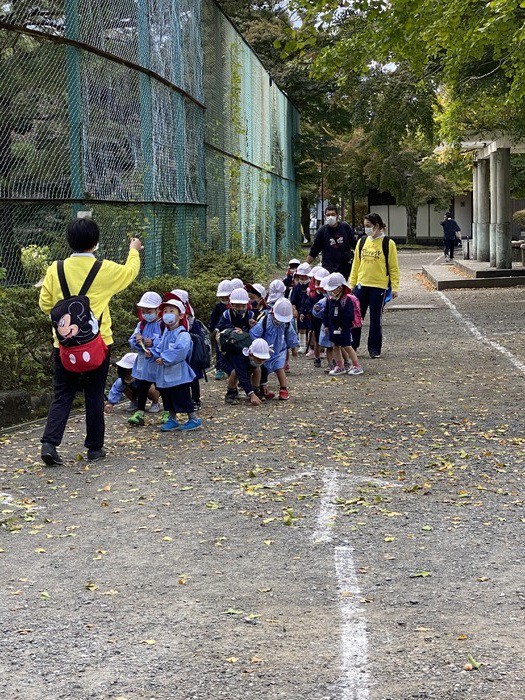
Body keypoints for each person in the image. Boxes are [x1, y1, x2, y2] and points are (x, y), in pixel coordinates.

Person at [39, 218, 142, 466]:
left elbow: (45, 305)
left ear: (69, 241)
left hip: (63, 346)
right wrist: (134, 250)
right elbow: (130, 273)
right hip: (98, 344)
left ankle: (49, 444)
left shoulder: (56, 268)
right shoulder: (104, 268)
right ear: (95, 243)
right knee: (94, 396)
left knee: (63, 394)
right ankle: (95, 448)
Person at [349, 212, 400, 359]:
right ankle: (352, 345)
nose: (366, 229)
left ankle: (374, 348)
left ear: (377, 226)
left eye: (368, 226)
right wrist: (351, 284)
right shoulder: (362, 241)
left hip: (379, 286)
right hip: (361, 284)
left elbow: (393, 267)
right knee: (356, 316)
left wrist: (395, 287)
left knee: (376, 318)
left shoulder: (388, 243)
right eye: (365, 226)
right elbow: (356, 264)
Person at [150, 295, 202, 432]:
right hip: (166, 374)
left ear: (180, 315)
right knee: (168, 397)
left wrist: (165, 359)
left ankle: (193, 418)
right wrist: (152, 353)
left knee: (182, 397)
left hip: (179, 375)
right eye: (165, 311)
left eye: (171, 311)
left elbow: (181, 351)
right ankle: (172, 419)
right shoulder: (166, 332)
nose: (167, 314)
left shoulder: (183, 334)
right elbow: (160, 346)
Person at [250, 298, 299, 400]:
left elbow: (291, 334)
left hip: (279, 350)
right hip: (264, 351)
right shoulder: (264, 320)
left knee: (279, 368)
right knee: (262, 371)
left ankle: (283, 388)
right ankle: (262, 389)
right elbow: (254, 334)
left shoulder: (286, 323)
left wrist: (294, 347)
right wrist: (258, 347)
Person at [128, 291, 163, 426]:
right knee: (142, 387)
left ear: (158, 310)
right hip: (144, 363)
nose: (146, 313)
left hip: (158, 362)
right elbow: (132, 339)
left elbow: (166, 341)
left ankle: (167, 413)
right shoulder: (141, 325)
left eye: (149, 310)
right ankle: (140, 412)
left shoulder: (163, 324)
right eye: (144, 311)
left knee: (163, 387)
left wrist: (153, 343)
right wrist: (137, 342)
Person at [322, 272, 364, 376]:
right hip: (333, 327)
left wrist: (342, 325)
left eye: (333, 289)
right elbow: (326, 313)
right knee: (335, 346)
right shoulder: (330, 300)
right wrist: (326, 325)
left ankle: (356, 365)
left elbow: (349, 315)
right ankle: (339, 366)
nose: (331, 292)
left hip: (343, 328)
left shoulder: (346, 300)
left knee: (347, 346)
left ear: (340, 288)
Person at [306, 205, 356, 278]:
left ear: (337, 215)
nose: (330, 217)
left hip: (345, 267)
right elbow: (314, 251)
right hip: (328, 267)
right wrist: (305, 266)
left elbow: (355, 245)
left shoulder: (345, 227)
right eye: (328, 215)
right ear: (325, 216)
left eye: (333, 214)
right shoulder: (322, 231)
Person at [210, 280, 232, 380]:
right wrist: (213, 328)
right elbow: (213, 319)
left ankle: (229, 369)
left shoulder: (234, 306)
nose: (224, 299)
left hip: (231, 333)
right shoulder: (218, 307)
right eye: (222, 297)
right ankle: (219, 368)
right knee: (219, 351)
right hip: (220, 333)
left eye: (226, 297)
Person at [289, 262, 312, 353]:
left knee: (310, 329)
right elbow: (293, 300)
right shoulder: (296, 287)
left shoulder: (311, 286)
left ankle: (311, 346)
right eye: (301, 276)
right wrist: (294, 310)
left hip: (309, 310)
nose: (302, 278)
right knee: (301, 328)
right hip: (299, 310)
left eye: (304, 276)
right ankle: (302, 345)